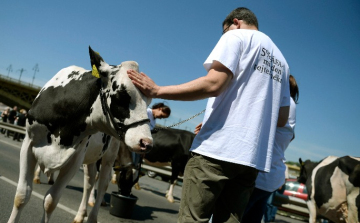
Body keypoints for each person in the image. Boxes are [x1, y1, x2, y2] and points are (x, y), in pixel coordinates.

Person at [128, 7, 291, 223]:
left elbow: (214, 83)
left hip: (218, 151)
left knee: (193, 219)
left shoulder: (236, 37)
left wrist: (157, 91)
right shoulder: (282, 61)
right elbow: (281, 119)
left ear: (236, 22)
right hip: (252, 160)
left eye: (225, 32)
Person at [241, 74, 299, 223]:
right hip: (272, 176)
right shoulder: (291, 108)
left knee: (230, 216)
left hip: (259, 175)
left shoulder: (283, 103)